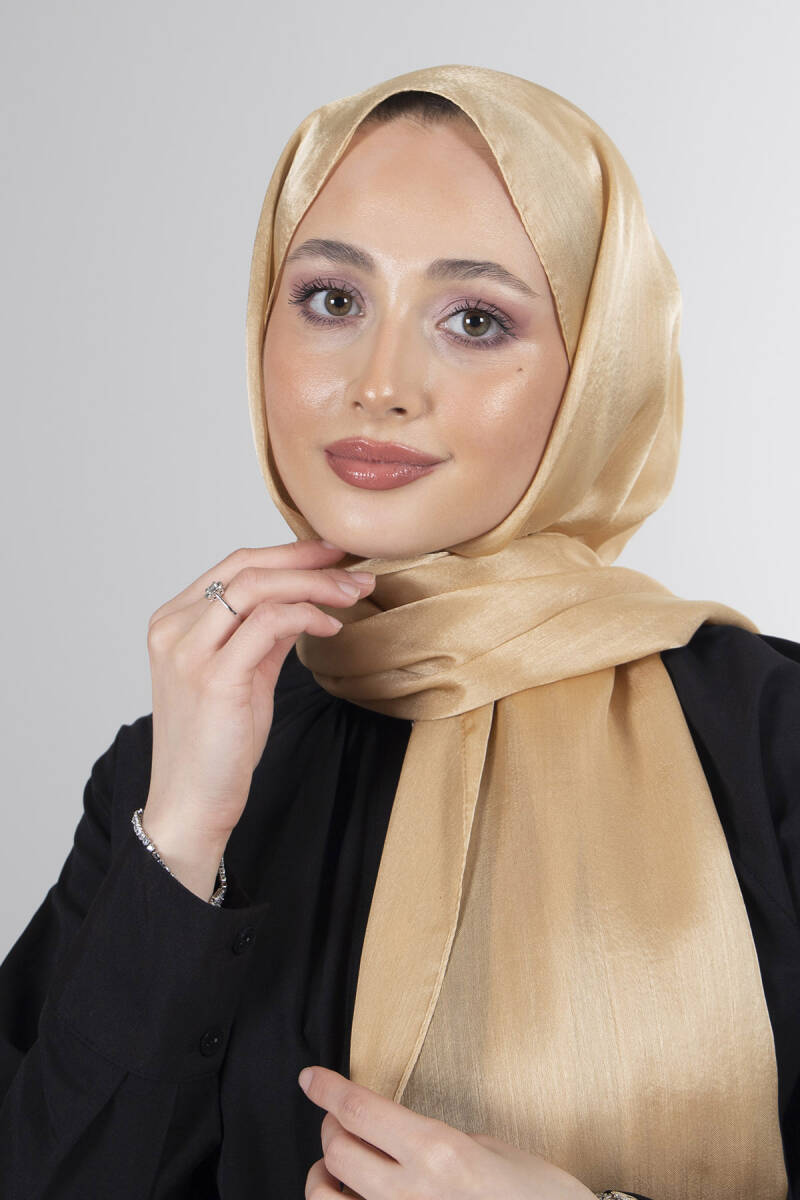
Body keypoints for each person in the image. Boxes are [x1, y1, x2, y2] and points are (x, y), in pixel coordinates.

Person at [0, 63, 797, 1200]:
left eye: (474, 320)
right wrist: (176, 841)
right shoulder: (167, 768)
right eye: (332, 300)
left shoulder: (767, 741)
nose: (379, 384)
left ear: (598, 371)